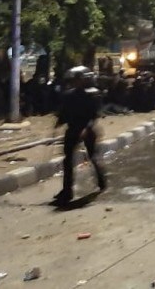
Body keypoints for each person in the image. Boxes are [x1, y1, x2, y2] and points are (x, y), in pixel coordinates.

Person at [52, 66, 107, 205]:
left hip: (88, 130)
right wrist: (58, 123)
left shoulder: (93, 95)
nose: (77, 82)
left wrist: (87, 127)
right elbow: (64, 113)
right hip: (73, 129)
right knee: (68, 160)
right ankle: (67, 191)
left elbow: (94, 114)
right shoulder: (69, 95)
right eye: (75, 80)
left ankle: (102, 182)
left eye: (79, 80)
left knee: (93, 156)